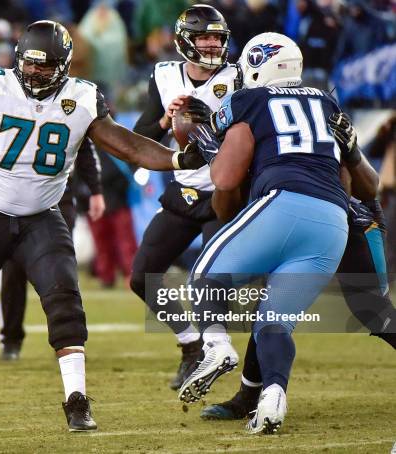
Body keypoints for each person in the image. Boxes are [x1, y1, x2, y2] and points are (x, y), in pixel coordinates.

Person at [0, 20, 201, 432]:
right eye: (29, 65)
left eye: (45, 67)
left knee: (64, 301)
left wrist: (175, 159)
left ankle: (76, 400)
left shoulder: (82, 98)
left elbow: (124, 143)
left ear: (65, 66)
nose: (34, 74)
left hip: (42, 219)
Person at [176, 33, 379, 434]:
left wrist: (208, 144)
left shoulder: (247, 100)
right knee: (274, 321)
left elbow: (226, 177)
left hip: (284, 205)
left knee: (204, 276)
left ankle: (216, 348)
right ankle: (272, 398)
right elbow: (364, 185)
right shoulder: (325, 102)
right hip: (334, 222)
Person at [130, 4, 241, 391]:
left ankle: (239, 370)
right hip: (183, 191)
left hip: (225, 194)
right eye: (204, 37)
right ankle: (191, 344)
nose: (212, 43)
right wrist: (166, 119)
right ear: (184, 42)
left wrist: (209, 121)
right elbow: (143, 136)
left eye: (217, 37)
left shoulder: (239, 77)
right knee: (142, 276)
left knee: (213, 282)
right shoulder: (164, 76)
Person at [0, 137, 104, 361]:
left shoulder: (74, 106)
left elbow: (85, 149)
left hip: (59, 200)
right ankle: (10, 339)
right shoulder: (15, 104)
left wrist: (96, 190)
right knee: (12, 272)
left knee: (60, 273)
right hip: (16, 201)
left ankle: (68, 340)